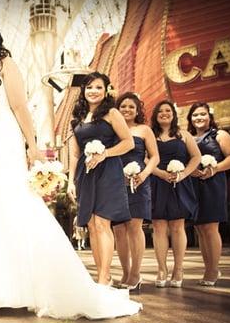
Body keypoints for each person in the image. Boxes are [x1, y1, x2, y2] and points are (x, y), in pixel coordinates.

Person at [0, 13, 141, 319]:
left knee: (6, 208)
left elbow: (20, 106)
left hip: (1, 145)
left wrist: (32, 147)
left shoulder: (4, 64)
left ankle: (11, 289)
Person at [68, 72, 134, 286]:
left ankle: (104, 277)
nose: (93, 91)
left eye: (98, 87)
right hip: (85, 174)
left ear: (106, 90)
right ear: (83, 91)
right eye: (89, 87)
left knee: (103, 222)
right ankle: (102, 274)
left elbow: (128, 143)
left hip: (108, 171)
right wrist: (71, 180)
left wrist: (105, 153)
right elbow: (74, 153)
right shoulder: (77, 117)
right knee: (92, 225)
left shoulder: (112, 113)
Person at [187, 102, 230, 286]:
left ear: (210, 116)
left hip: (213, 184)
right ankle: (208, 267)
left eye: (202, 114)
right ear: (190, 118)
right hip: (194, 184)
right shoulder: (189, 137)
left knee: (211, 228)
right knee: (200, 229)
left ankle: (213, 269)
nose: (199, 118)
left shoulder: (219, 135)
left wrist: (215, 168)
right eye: (195, 115)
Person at [150, 100, 201, 288]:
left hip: (179, 183)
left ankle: (178, 269)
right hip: (156, 181)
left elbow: (196, 157)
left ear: (173, 114)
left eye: (168, 110)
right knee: (158, 226)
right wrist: (160, 173)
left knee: (178, 226)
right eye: (160, 111)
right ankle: (161, 269)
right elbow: (145, 158)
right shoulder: (150, 135)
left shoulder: (184, 134)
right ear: (155, 115)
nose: (164, 113)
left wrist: (183, 174)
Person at [112, 92, 159, 291]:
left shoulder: (144, 130)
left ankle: (136, 274)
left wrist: (144, 174)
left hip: (138, 181)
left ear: (137, 109)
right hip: (114, 181)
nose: (127, 110)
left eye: (131, 106)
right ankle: (125, 272)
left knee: (134, 227)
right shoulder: (112, 130)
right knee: (118, 230)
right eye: (123, 106)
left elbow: (155, 157)